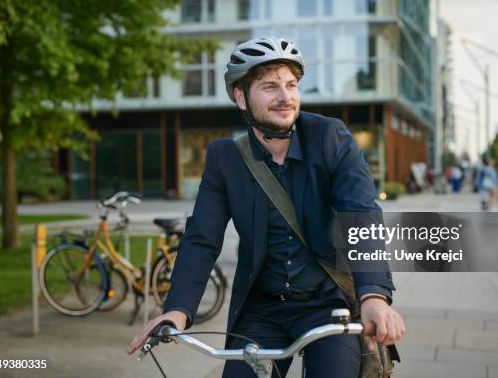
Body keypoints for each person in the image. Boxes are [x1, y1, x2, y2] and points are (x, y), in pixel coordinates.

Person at [127, 36, 405, 377]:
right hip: (261, 310)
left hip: (328, 305)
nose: (285, 96)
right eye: (270, 86)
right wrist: (178, 310)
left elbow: (361, 215)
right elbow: (202, 238)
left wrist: (373, 296)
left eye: (291, 85)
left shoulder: (330, 137)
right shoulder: (225, 158)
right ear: (242, 97)